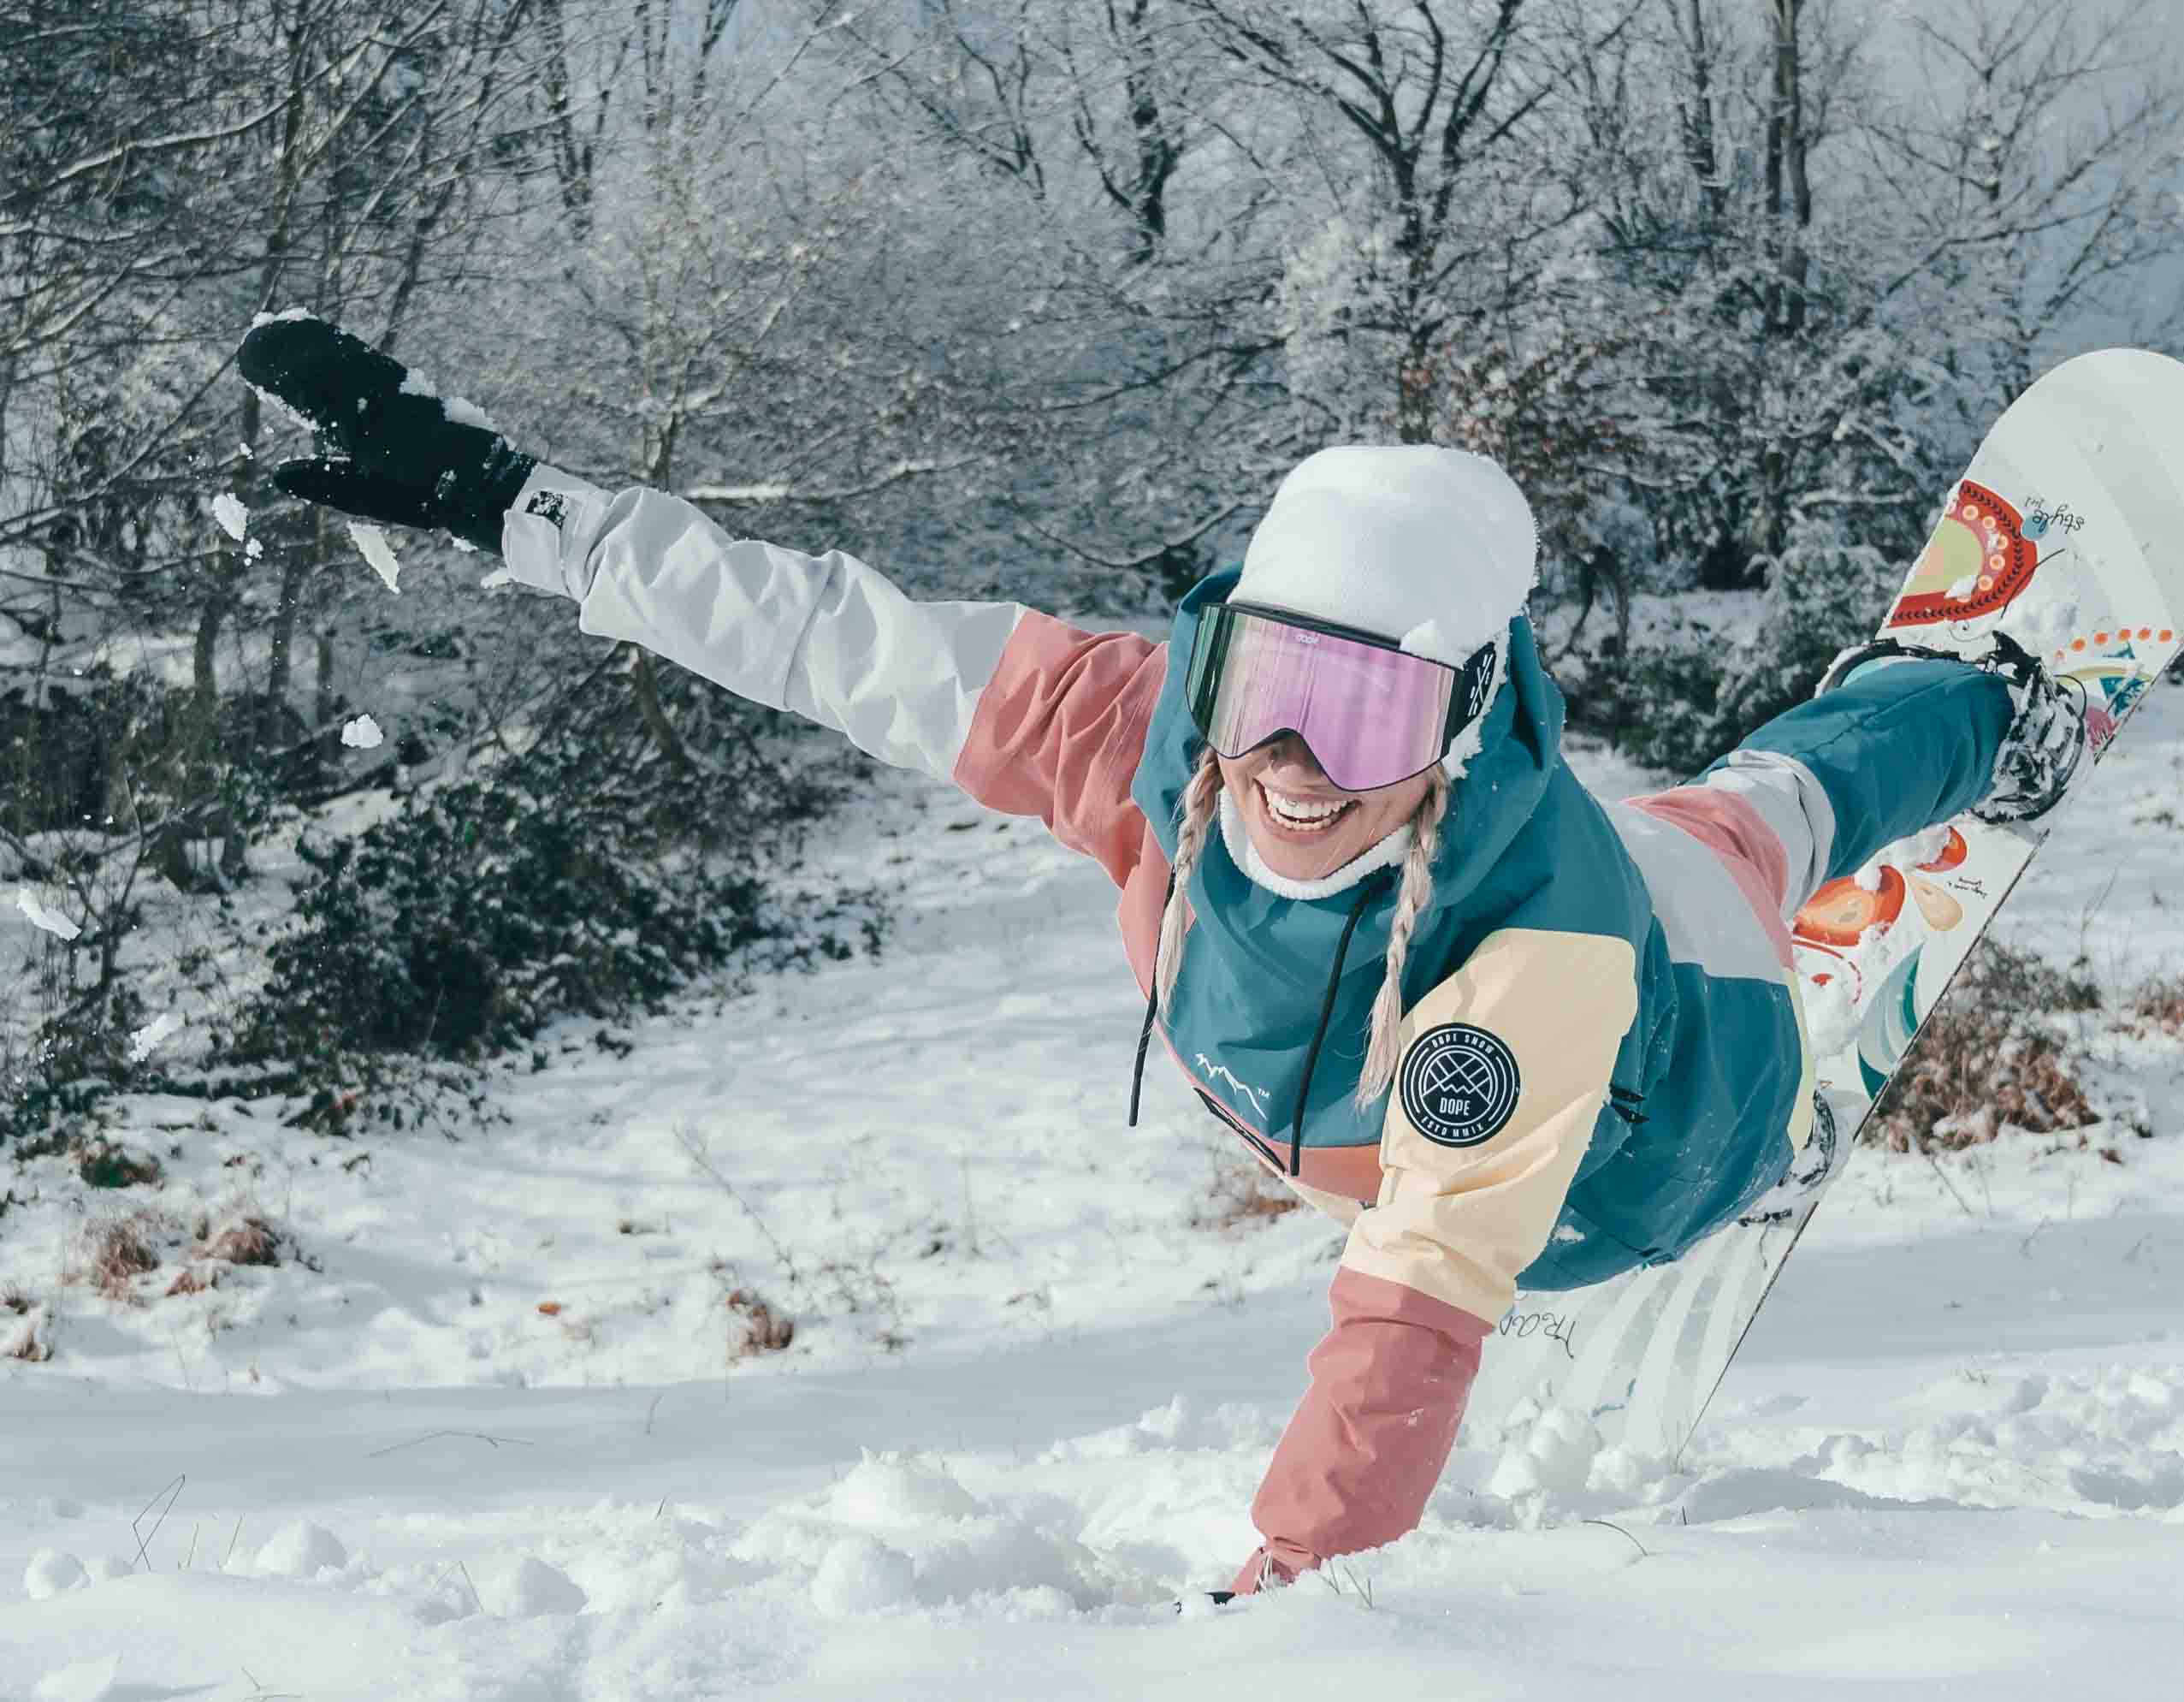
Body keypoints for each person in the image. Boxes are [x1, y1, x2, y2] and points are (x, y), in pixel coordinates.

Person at [239, 317, 2083, 1598]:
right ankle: (1900, 738)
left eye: (1363, 716)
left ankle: (1976, 711)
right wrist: (523, 505)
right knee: (1728, 814)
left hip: (1655, 1144)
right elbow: (825, 636)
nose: (1291, 768)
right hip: (1437, 1067)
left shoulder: (1529, 963)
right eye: (1269, 690)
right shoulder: (1147, 740)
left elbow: (1412, 1308)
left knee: (1754, 828)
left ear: (1463, 721)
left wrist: (1299, 1579)